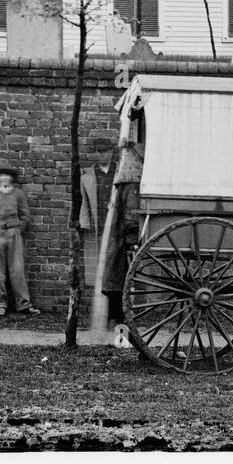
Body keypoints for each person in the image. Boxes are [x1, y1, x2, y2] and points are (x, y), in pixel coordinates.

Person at [0, 166, 38, 317]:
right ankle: (0, 304)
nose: (4, 178)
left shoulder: (18, 194)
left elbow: (25, 215)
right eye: (1, 176)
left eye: (7, 176)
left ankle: (23, 303)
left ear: (12, 178)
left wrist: (18, 229)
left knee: (17, 269)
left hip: (14, 233)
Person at [101, 141, 143, 327]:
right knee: (120, 278)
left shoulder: (126, 184)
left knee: (119, 278)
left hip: (120, 241)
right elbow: (130, 219)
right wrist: (133, 238)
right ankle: (118, 321)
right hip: (123, 242)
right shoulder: (131, 185)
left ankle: (118, 319)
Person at [79, 136, 118, 293]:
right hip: (98, 224)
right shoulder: (87, 176)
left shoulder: (120, 172)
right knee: (98, 261)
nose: (102, 155)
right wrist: (84, 222)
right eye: (98, 152)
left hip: (117, 224)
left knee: (116, 261)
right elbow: (83, 202)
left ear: (111, 153)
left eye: (105, 152)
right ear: (94, 154)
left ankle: (118, 295)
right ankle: (100, 293)